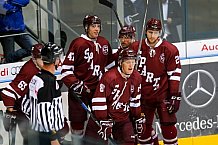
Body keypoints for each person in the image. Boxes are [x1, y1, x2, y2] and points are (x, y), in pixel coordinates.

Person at [61, 15, 113, 143]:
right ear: (86, 27)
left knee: (100, 122)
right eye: (93, 26)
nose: (96, 29)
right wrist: (76, 85)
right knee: (77, 125)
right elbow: (66, 70)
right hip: (79, 92)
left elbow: (111, 67)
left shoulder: (104, 43)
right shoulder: (78, 44)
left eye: (98, 26)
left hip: (97, 92)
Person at [131, 18, 181, 145]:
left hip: (162, 94)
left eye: (155, 32)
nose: (152, 35)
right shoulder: (136, 48)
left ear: (160, 32)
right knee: (142, 130)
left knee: (168, 127)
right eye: (150, 32)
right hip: (143, 96)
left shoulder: (169, 49)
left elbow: (174, 74)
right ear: (146, 31)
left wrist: (174, 95)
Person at [84, 48, 145, 145]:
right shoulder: (110, 77)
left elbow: (135, 100)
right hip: (104, 117)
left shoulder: (136, 77)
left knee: (129, 141)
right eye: (128, 62)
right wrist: (103, 120)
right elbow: (99, 100)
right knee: (92, 143)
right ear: (120, 63)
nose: (131, 65)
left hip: (122, 117)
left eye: (133, 62)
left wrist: (137, 117)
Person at [0, 43, 44, 145]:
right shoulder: (29, 71)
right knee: (32, 139)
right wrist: (10, 111)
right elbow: (8, 93)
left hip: (36, 110)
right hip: (24, 111)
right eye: (41, 58)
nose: (45, 61)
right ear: (34, 58)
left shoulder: (41, 67)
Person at [27, 42, 68, 145]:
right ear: (54, 60)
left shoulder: (36, 78)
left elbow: (26, 106)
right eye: (59, 57)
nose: (60, 60)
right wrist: (53, 137)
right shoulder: (48, 82)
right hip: (48, 136)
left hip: (38, 133)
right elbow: (43, 114)